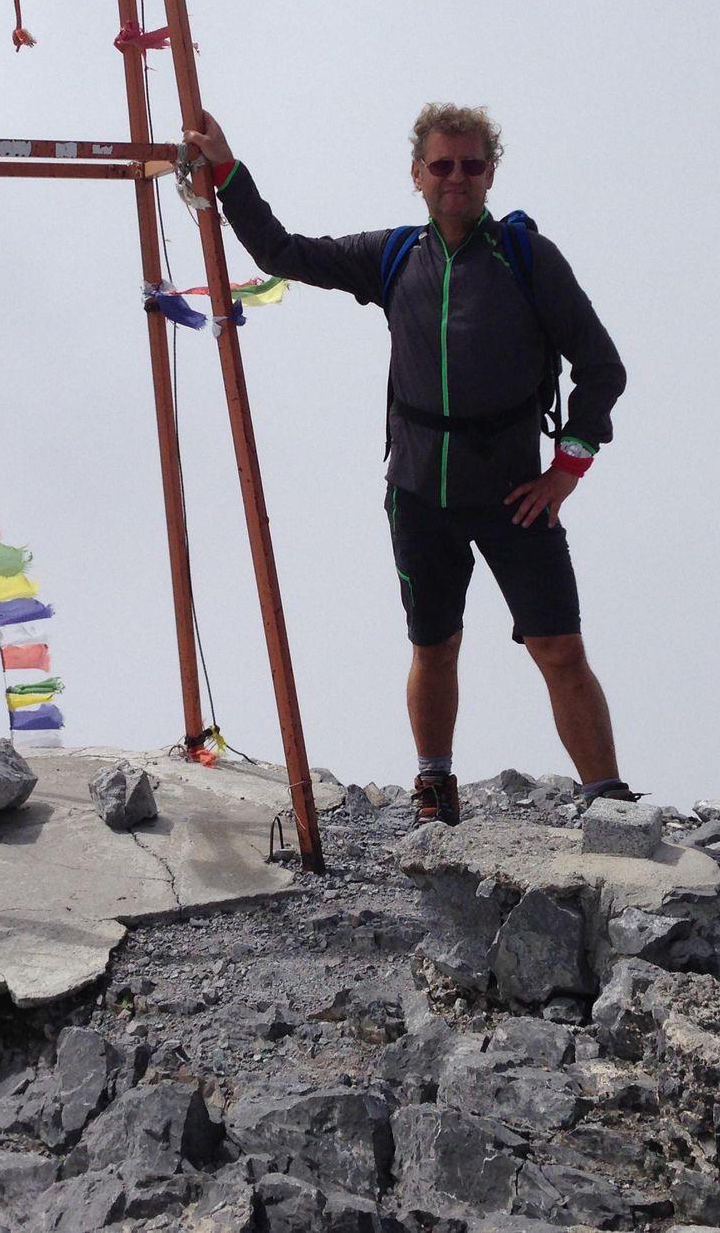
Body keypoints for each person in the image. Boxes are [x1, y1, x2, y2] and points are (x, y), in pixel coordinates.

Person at [181, 105, 631, 826]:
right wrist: (229, 173)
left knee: (558, 645)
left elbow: (602, 367)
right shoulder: (394, 255)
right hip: (420, 493)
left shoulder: (527, 257)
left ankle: (609, 801)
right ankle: (434, 786)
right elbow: (281, 252)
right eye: (442, 165)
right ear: (417, 174)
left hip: (517, 493)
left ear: (491, 173)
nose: (457, 178)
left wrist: (565, 471)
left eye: (472, 165)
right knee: (434, 643)